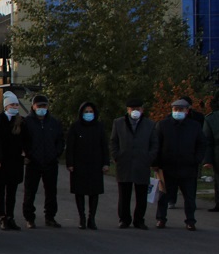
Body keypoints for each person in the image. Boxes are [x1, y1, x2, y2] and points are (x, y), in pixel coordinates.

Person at [152, 98, 206, 230]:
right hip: (167, 167)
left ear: (187, 111)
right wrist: (155, 163)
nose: (178, 112)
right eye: (175, 109)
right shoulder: (163, 125)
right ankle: (161, 219)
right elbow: (156, 145)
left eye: (181, 110)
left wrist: (196, 159)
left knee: (189, 197)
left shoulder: (194, 126)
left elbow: (201, 144)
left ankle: (190, 221)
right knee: (164, 196)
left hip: (188, 167)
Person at [109, 98, 157, 229]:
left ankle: (139, 220)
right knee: (124, 195)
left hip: (142, 163)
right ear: (127, 110)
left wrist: (149, 157)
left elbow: (154, 144)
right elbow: (113, 141)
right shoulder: (119, 123)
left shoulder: (149, 124)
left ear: (142, 110)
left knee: (141, 195)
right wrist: (117, 156)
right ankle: (124, 219)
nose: (135, 111)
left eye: (138, 109)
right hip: (124, 163)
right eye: (132, 109)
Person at [21, 94, 65, 228]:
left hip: (50, 162)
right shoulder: (27, 122)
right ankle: (29, 218)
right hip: (33, 162)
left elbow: (60, 140)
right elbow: (23, 141)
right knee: (30, 191)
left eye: (44, 106)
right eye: (39, 106)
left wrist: (56, 154)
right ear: (33, 107)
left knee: (51, 191)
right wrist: (28, 155)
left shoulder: (54, 123)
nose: (42, 108)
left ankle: (50, 217)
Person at [65, 101, 111, 230]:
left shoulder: (99, 127)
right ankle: (82, 218)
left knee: (94, 192)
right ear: (81, 113)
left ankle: (92, 218)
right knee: (79, 192)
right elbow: (70, 147)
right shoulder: (75, 127)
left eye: (91, 112)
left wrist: (106, 163)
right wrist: (70, 163)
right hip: (79, 165)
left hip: (95, 165)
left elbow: (104, 146)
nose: (89, 114)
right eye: (86, 112)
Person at [0, 92, 28, 231]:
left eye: (16, 105)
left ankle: (10, 216)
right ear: (6, 106)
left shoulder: (21, 122)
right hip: (0, 162)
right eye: (12, 104)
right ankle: (2, 216)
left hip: (15, 162)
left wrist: (25, 152)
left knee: (12, 192)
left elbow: (26, 140)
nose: (15, 107)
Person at [202, 93, 219, 212]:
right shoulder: (211, 118)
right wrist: (207, 160)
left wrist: (208, 160)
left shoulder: (211, 118)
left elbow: (207, 141)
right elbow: (207, 141)